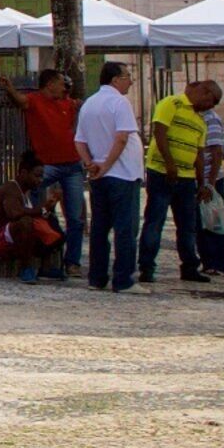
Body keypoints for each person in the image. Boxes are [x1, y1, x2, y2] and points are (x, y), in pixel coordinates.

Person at [141, 79, 224, 284]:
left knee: (188, 226)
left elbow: (199, 154)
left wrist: (202, 182)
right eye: (211, 101)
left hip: (187, 180)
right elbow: (159, 132)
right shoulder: (171, 103)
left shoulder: (200, 120)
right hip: (161, 173)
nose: (210, 107)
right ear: (204, 92)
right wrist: (170, 164)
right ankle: (146, 267)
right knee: (155, 222)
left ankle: (189, 267)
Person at [76, 59, 147, 292]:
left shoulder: (89, 103)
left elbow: (80, 140)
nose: (130, 81)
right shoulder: (119, 102)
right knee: (125, 228)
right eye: (127, 76)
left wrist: (91, 164)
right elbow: (122, 137)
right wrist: (106, 165)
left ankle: (97, 277)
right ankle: (123, 278)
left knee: (100, 227)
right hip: (122, 173)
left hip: (99, 175)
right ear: (115, 79)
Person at [17, 67, 86, 283]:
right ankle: (47, 249)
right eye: (60, 83)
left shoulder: (68, 104)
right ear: (49, 85)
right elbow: (20, 101)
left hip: (71, 163)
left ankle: (72, 260)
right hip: (48, 163)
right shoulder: (35, 101)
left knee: (76, 217)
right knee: (38, 208)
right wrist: (9, 88)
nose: (63, 86)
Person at [0, 172, 66, 282]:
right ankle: (26, 267)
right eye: (36, 176)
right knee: (25, 224)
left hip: (12, 237)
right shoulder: (9, 191)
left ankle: (45, 267)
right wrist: (43, 209)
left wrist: (48, 207)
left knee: (51, 222)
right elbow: (16, 215)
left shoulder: (24, 195)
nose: (39, 181)